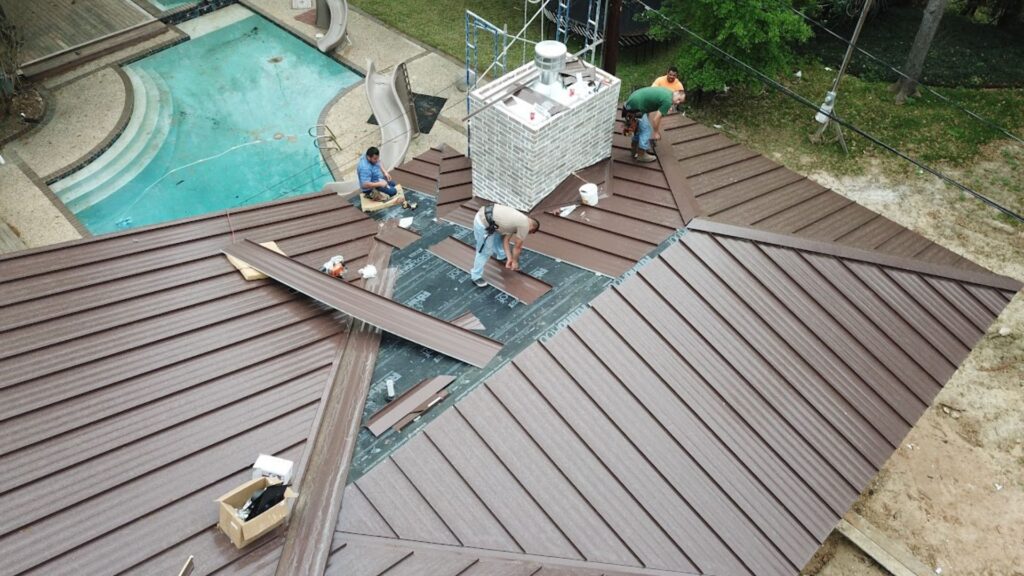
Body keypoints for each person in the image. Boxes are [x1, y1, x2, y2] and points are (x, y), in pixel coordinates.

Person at [471, 204, 540, 288]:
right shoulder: (525, 225)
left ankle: (501, 255)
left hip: (490, 218)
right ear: (532, 228)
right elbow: (517, 248)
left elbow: (506, 241)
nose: (527, 234)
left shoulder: (519, 220)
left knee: (499, 236)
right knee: (485, 252)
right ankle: (476, 276)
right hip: (482, 223)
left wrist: (510, 258)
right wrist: (515, 262)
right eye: (530, 233)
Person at [622, 86, 685, 163]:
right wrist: (656, 132)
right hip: (636, 105)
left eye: (680, 102)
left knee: (638, 127)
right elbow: (656, 119)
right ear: (676, 92)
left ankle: (634, 150)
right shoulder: (667, 101)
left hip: (632, 100)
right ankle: (641, 155)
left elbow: (651, 100)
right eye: (678, 99)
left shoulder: (668, 92)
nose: (678, 102)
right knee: (646, 129)